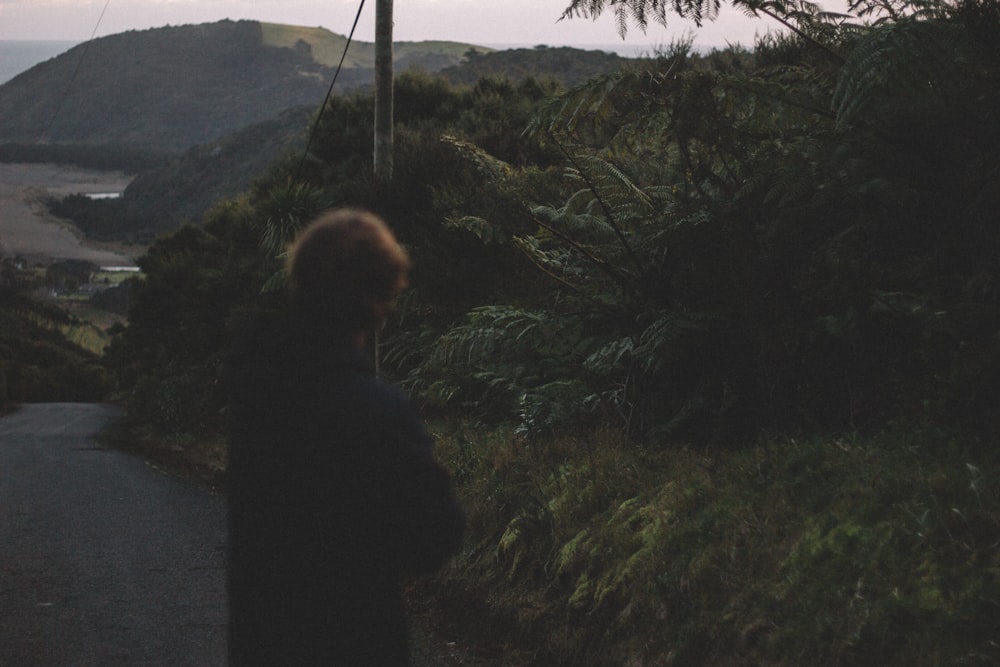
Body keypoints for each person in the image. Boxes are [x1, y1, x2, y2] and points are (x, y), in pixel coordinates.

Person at [226, 208, 465, 666]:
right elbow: (435, 536)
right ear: (379, 294)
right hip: (357, 645)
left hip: (262, 646)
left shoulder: (258, 398)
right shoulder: (377, 412)